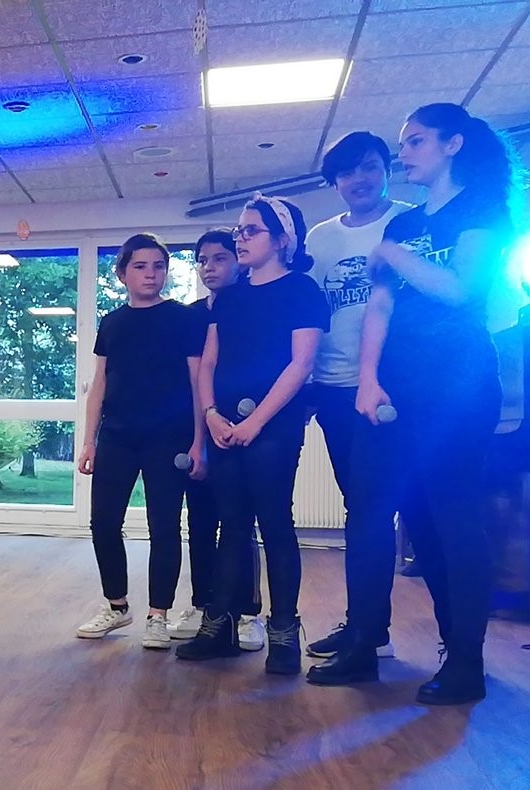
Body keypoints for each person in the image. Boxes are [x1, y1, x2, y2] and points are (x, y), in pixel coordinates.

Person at [308, 103, 517, 704]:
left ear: (453, 144)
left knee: (448, 517)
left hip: (458, 387)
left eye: (415, 141)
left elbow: (461, 290)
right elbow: (380, 307)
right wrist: (368, 379)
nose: (405, 153)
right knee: (368, 511)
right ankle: (362, 645)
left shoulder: (481, 211)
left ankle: (465, 659)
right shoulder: (402, 224)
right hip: (393, 388)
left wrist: (395, 255)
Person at [176, 195, 327, 675]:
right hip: (225, 426)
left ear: (282, 240)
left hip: (273, 428)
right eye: (239, 230)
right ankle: (218, 626)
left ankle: (283, 633)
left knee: (275, 525)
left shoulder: (302, 290)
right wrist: (211, 415)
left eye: (251, 230)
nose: (240, 238)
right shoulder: (230, 296)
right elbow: (210, 363)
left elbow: (300, 364)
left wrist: (255, 422)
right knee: (232, 526)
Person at [300, 132, 414, 666]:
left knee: (376, 509)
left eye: (369, 167)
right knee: (360, 508)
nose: (358, 180)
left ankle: (369, 634)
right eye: (346, 173)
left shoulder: (409, 223)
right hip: (333, 390)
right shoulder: (321, 239)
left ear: (386, 169)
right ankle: (366, 626)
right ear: (335, 182)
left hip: (393, 391)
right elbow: (310, 316)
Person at [74, 233, 205, 650]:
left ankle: (158, 616)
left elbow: (197, 382)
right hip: (117, 436)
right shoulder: (112, 323)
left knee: (163, 526)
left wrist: (199, 441)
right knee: (103, 523)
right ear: (122, 274)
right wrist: (89, 441)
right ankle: (117, 606)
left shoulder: (182, 318)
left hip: (168, 438)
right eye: (141, 266)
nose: (151, 274)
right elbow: (99, 384)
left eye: (159, 266)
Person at [171, 230, 265, 650]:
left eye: (220, 258)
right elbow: (193, 377)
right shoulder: (191, 316)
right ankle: (204, 605)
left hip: (241, 429)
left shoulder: (252, 306)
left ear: (239, 261)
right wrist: (199, 437)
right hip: (199, 430)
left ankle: (246, 612)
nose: (210, 267)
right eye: (203, 260)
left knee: (239, 522)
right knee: (201, 521)